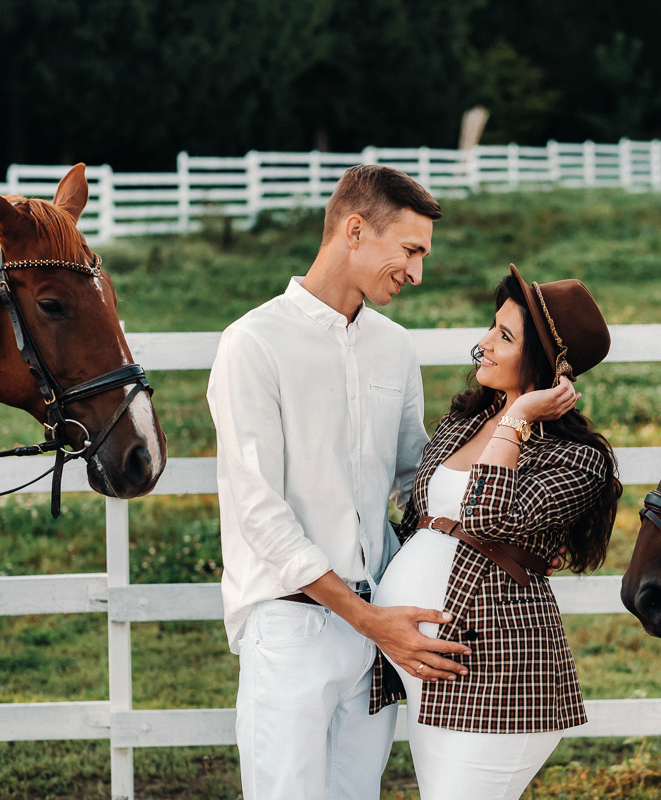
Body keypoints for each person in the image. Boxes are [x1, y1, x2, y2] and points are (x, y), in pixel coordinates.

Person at [206, 164, 472, 800]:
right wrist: (367, 619)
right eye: (409, 251)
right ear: (355, 230)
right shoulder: (254, 344)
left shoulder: (395, 349)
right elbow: (260, 512)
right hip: (290, 625)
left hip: (377, 627)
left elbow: (416, 485)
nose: (417, 273)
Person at [370, 263, 623, 799]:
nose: (483, 343)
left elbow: (487, 519)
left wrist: (518, 417)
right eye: (491, 326)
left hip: (499, 676)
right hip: (428, 672)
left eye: (504, 336)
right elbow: (421, 518)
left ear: (546, 366)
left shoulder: (577, 460)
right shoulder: (463, 421)